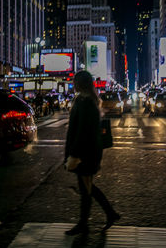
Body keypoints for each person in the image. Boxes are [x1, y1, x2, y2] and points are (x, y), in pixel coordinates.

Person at [64, 71, 120, 236]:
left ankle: (88, 222)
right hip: (88, 151)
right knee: (86, 188)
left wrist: (74, 155)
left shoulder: (85, 102)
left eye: (75, 81)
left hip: (85, 153)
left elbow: (83, 132)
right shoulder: (86, 100)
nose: (73, 84)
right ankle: (108, 214)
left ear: (80, 84)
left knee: (86, 188)